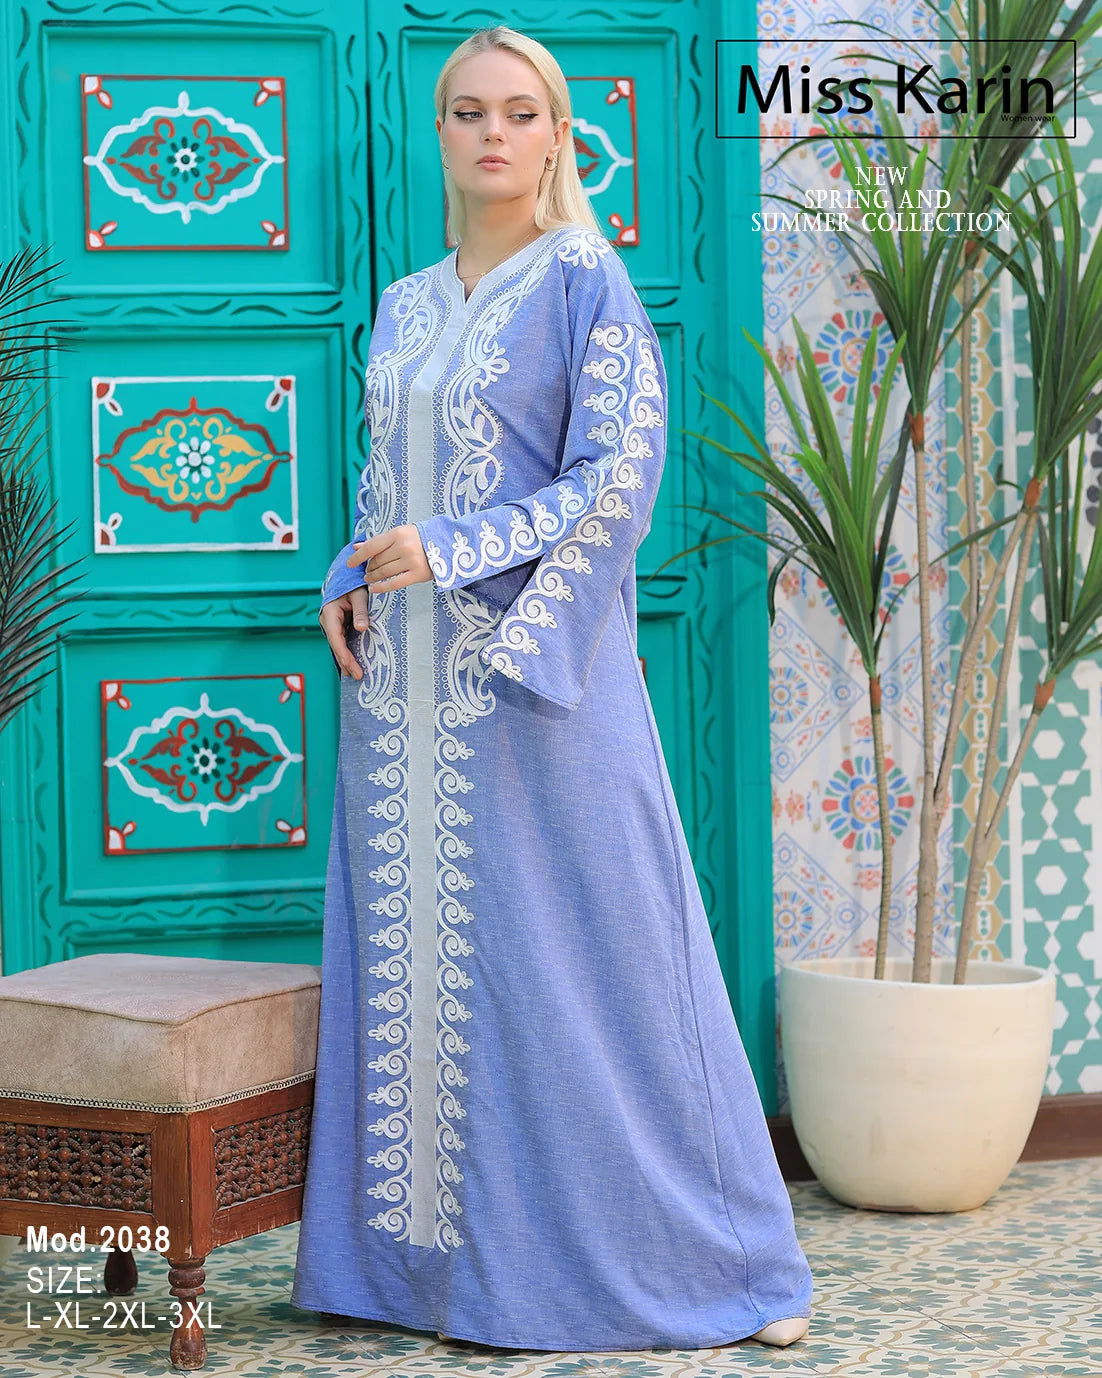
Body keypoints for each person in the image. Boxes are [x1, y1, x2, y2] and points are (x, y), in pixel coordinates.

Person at [290, 23, 813, 1354]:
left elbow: (618, 473)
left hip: (532, 680)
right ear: (440, 133)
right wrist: (353, 567)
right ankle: (424, 1279)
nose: (493, 133)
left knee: (605, 968)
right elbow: (390, 476)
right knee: (436, 978)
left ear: (557, 134)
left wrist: (453, 549)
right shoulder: (407, 303)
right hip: (400, 699)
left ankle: (734, 1266)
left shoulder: (583, 274)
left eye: (519, 112)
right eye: (468, 111)